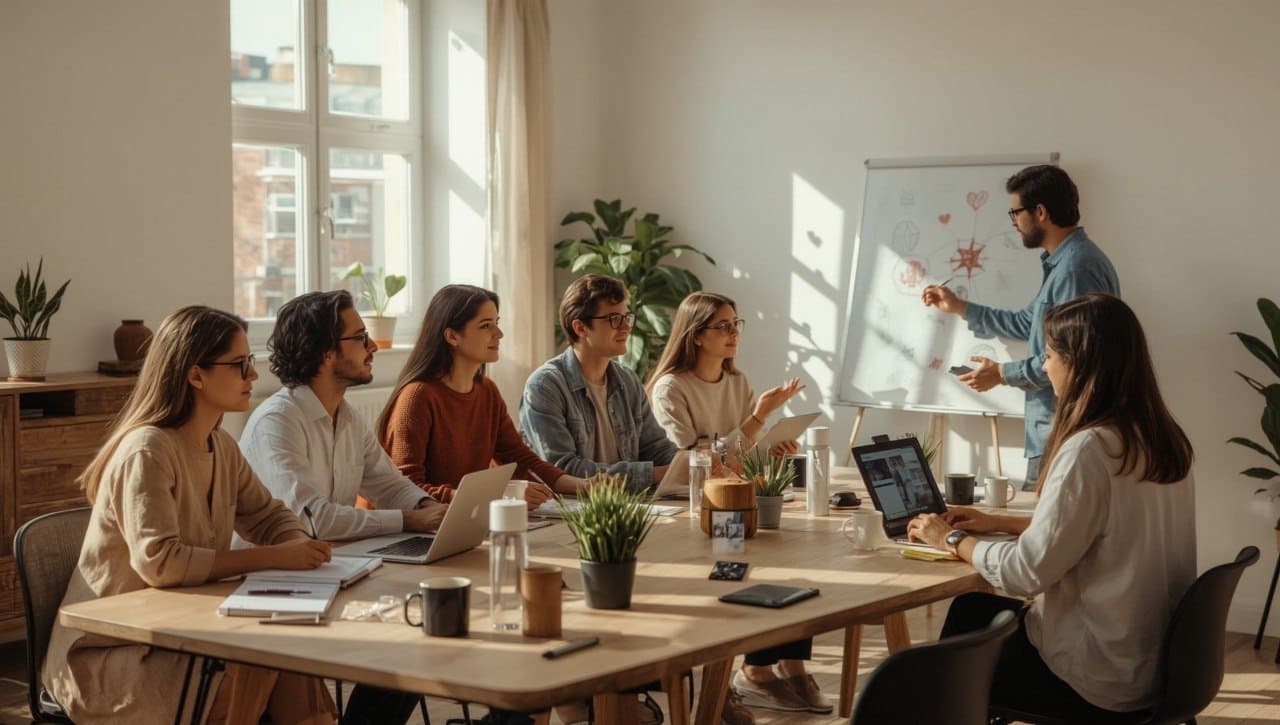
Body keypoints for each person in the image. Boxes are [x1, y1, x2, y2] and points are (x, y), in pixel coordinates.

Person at [43, 306, 337, 724]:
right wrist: (274, 558)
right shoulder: (148, 450)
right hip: (112, 654)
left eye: (249, 363)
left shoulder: (221, 445)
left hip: (180, 635)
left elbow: (268, 516)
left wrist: (296, 543)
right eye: (240, 365)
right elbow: (162, 563)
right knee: (258, 662)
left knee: (288, 653)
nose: (253, 376)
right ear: (195, 375)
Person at [907, 293, 1195, 716]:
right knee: (974, 611)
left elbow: (1026, 574)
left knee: (964, 634)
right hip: (1153, 666)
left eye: (1050, 354)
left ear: (1080, 363)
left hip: (1095, 678)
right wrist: (1000, 522)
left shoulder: (1090, 450)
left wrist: (950, 538)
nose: (1044, 366)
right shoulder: (1163, 439)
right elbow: (1107, 530)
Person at [239, 290, 449, 725]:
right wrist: (409, 519)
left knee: (421, 625)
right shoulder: (277, 421)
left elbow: (387, 481)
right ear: (325, 353)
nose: (373, 347)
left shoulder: (348, 416)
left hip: (327, 568)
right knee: (408, 623)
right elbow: (310, 519)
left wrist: (431, 508)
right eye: (361, 338)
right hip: (267, 583)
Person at [647, 292, 831, 721]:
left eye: (736, 324)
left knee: (789, 557)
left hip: (735, 502)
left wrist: (774, 450)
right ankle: (750, 677)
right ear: (695, 336)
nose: (733, 334)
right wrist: (757, 420)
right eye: (723, 327)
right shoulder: (670, 389)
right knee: (752, 565)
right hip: (692, 510)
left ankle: (782, 667)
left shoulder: (738, 382)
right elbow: (695, 464)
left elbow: (742, 460)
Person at [922, 165, 1119, 488]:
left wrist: (1001, 373)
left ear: (1040, 212)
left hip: (1063, 431)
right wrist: (959, 307)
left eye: (1015, 213)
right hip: (1055, 432)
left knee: (1044, 532)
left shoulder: (1075, 270)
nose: (1014, 223)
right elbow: (1026, 323)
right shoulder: (1066, 264)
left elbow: (1071, 359)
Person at [378, 284, 586, 504]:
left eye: (497, 323)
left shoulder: (487, 391)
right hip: (399, 530)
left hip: (459, 518)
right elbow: (406, 488)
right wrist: (499, 495)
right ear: (452, 336)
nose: (499, 334)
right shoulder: (417, 397)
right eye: (486, 326)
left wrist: (584, 485)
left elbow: (519, 459)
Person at [519, 275, 679, 491]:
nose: (626, 327)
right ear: (580, 328)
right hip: (571, 512)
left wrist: (689, 462)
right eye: (614, 319)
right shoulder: (545, 386)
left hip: (628, 506)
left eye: (627, 317)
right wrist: (657, 473)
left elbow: (656, 448)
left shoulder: (628, 380)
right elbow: (562, 469)